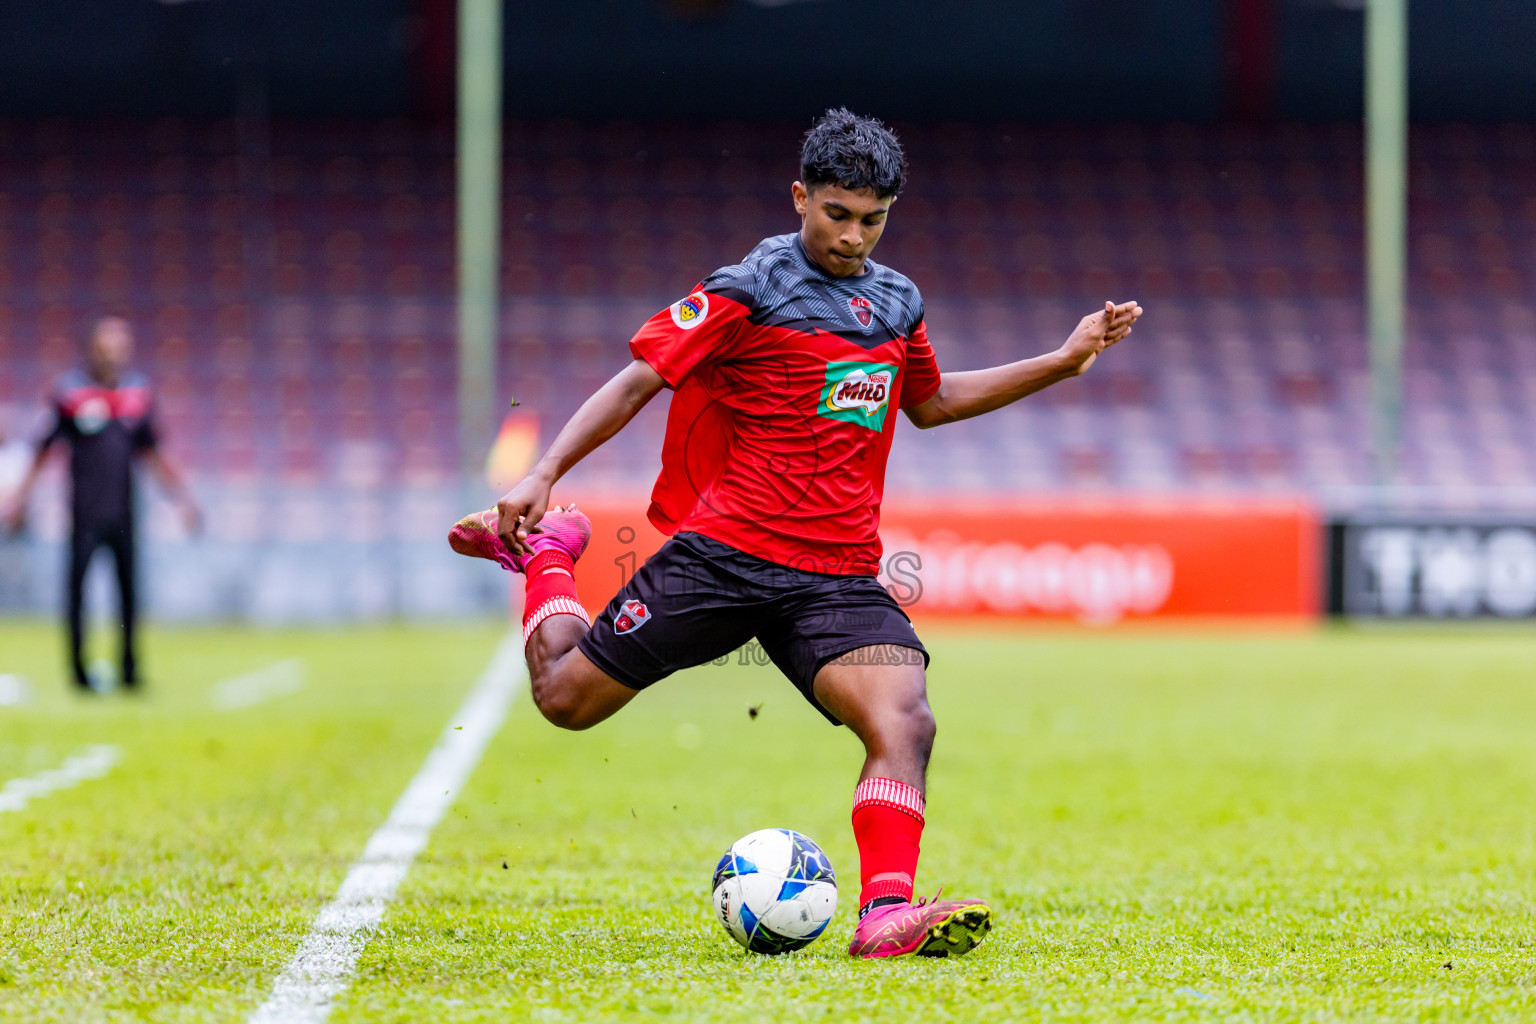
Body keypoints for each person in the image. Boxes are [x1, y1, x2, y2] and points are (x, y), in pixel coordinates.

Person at [449, 108, 1143, 958]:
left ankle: (885, 914)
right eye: (837, 214)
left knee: (907, 722)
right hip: (726, 557)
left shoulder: (894, 301)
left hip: (837, 578)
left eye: (873, 219)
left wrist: (1060, 361)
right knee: (563, 699)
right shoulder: (749, 288)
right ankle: (549, 553)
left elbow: (930, 404)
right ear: (800, 199)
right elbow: (640, 380)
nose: (853, 236)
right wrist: (544, 473)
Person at [3, 316, 201, 692]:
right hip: (84, 514)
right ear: (92, 348)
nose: (114, 352)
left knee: (128, 594)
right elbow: (44, 450)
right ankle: (78, 671)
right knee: (76, 593)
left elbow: (154, 454)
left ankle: (128, 668)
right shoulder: (71, 394)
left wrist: (183, 501)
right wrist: (19, 498)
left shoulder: (138, 395)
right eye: (107, 345)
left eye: (121, 345)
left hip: (125, 513)